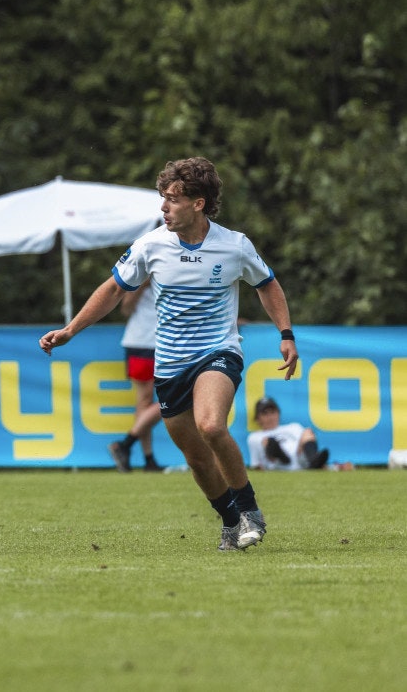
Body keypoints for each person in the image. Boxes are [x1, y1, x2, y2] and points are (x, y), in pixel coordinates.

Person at [40, 157, 298, 552]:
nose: (163, 208)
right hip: (170, 363)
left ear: (198, 203)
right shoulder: (151, 245)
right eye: (163, 198)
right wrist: (71, 329)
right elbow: (113, 289)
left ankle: (249, 511)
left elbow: (267, 284)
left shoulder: (234, 246)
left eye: (173, 199)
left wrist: (286, 333)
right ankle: (230, 520)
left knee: (211, 425)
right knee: (195, 457)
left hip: (218, 351)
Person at [108, 282, 163, 472]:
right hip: (144, 343)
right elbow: (126, 308)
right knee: (169, 399)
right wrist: (141, 285)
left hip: (158, 342)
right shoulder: (144, 271)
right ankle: (125, 445)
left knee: (145, 405)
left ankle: (148, 458)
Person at [248, 396, 339, 471]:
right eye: (265, 414)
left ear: (278, 413)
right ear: (257, 419)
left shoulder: (293, 427)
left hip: (299, 459)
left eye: (273, 412)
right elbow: (256, 465)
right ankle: (283, 459)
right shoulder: (254, 437)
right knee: (268, 441)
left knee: (308, 432)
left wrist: (335, 468)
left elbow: (304, 443)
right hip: (276, 464)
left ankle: (313, 461)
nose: (270, 417)